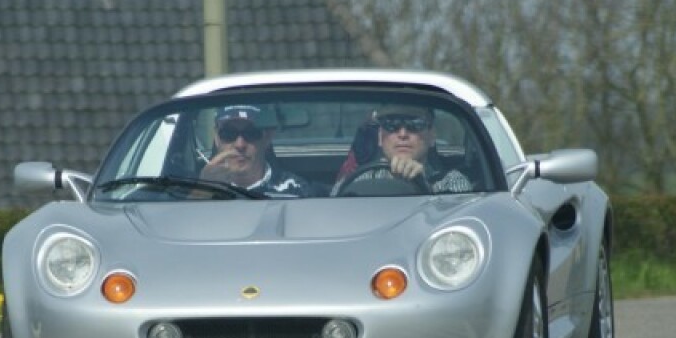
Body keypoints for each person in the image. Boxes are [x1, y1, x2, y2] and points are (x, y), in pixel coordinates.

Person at [333, 104, 472, 194]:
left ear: (431, 136)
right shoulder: (355, 181)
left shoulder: (452, 182)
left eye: (415, 124)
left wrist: (422, 185)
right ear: (380, 137)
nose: (403, 134)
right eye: (391, 125)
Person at [200, 105, 318, 197]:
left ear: (267, 137)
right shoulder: (191, 188)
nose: (240, 145)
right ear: (216, 137)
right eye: (229, 134)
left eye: (251, 133)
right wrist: (206, 188)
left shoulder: (295, 190)